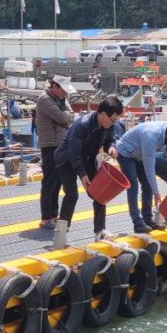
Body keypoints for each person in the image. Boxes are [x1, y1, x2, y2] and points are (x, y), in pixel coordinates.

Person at [54, 95, 124, 241]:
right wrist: (83, 175)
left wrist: (112, 147)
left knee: (100, 193)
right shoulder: (82, 125)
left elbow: (111, 139)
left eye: (116, 120)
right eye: (113, 119)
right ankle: (61, 232)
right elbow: (73, 154)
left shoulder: (109, 125)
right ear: (103, 114)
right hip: (66, 159)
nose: (114, 123)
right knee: (72, 194)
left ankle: (100, 231)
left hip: (87, 158)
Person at [116, 120, 167, 233]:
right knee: (133, 186)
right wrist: (156, 193)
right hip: (126, 152)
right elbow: (150, 169)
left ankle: (147, 219)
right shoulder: (151, 136)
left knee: (147, 186)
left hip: (140, 153)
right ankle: (137, 223)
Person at [36, 76, 76, 229]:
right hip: (50, 145)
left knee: (58, 181)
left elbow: (71, 115)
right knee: (50, 181)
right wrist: (67, 117)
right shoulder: (44, 99)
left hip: (61, 144)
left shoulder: (61, 99)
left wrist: (67, 116)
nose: (66, 94)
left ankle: (53, 214)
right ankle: (46, 217)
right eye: (63, 90)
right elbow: (63, 118)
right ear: (55, 86)